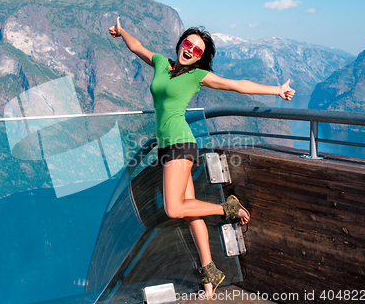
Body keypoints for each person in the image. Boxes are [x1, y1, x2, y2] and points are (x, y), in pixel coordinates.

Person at [109, 16, 295, 298]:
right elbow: (138, 48)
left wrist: (276, 90)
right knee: (189, 212)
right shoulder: (161, 63)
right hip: (167, 146)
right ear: (180, 43)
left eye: (197, 50)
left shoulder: (197, 76)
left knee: (173, 209)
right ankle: (210, 277)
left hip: (180, 144)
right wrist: (122, 32)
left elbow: (236, 85)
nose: (190, 51)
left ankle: (227, 208)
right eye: (188, 44)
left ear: (201, 57)